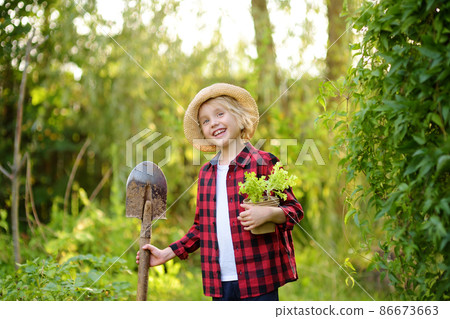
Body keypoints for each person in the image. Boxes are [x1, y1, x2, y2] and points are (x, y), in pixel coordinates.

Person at [136, 83, 303, 301]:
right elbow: (201, 228)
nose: (213, 123)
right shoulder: (206, 173)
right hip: (219, 283)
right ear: (203, 132)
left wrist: (269, 214)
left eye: (219, 114)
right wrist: (167, 253)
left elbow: (294, 210)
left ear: (239, 117)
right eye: (205, 121)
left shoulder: (263, 163)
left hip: (259, 280)